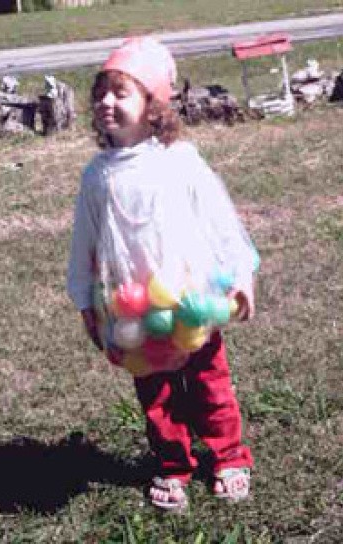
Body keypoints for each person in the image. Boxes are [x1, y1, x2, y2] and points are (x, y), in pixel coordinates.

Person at [67, 36, 258, 512]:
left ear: (154, 104)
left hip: (192, 301)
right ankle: (173, 464)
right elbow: (84, 244)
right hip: (134, 311)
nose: (106, 102)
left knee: (211, 383)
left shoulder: (180, 162)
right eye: (101, 92)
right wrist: (87, 303)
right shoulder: (98, 177)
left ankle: (228, 456)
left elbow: (219, 219)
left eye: (121, 92)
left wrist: (240, 275)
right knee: (156, 395)